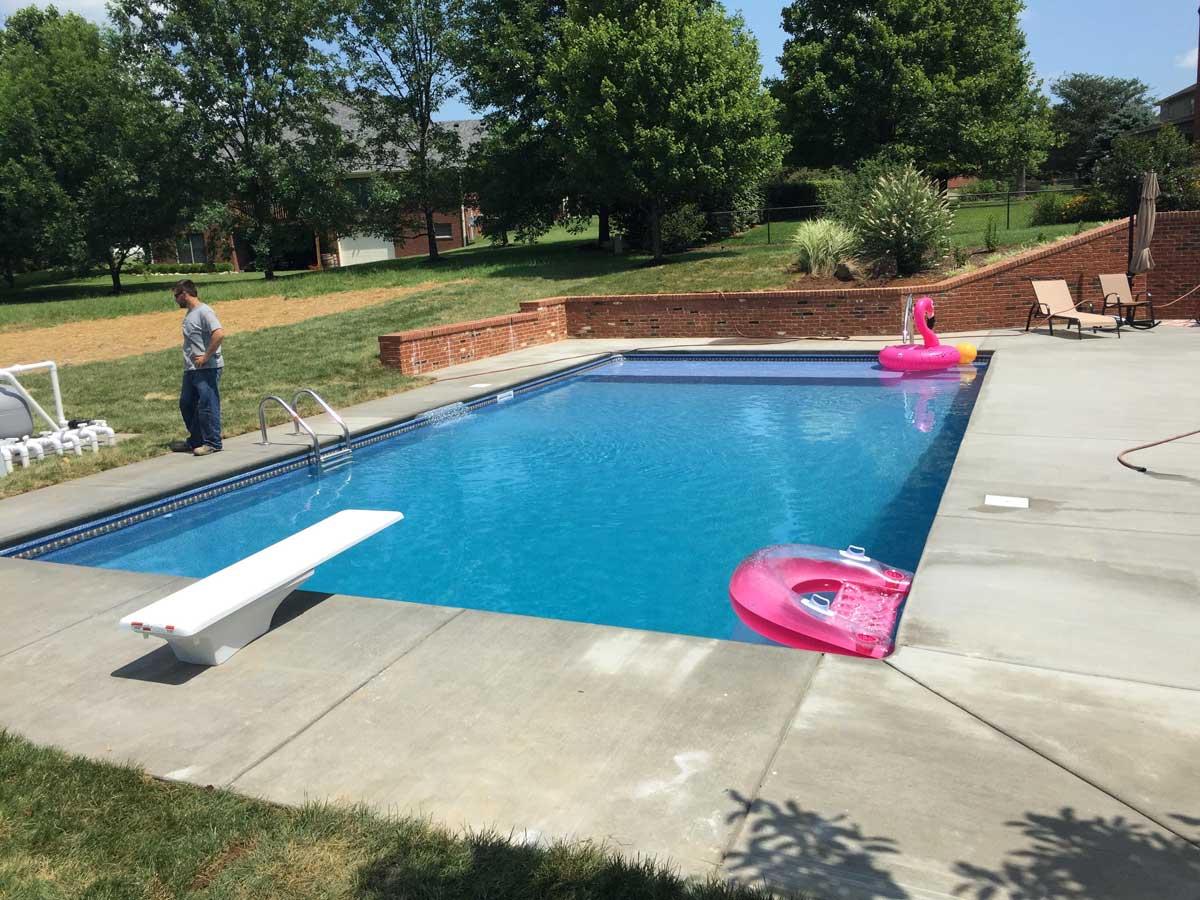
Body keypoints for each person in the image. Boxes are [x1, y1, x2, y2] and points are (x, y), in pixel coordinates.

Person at [169, 280, 225, 456]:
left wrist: (206, 356)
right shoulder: (190, 313)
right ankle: (196, 440)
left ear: (184, 294)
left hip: (207, 368)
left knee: (207, 405)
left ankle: (213, 442)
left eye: (176, 296)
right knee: (186, 404)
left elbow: (219, 333)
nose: (175, 300)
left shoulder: (204, 311)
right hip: (191, 368)